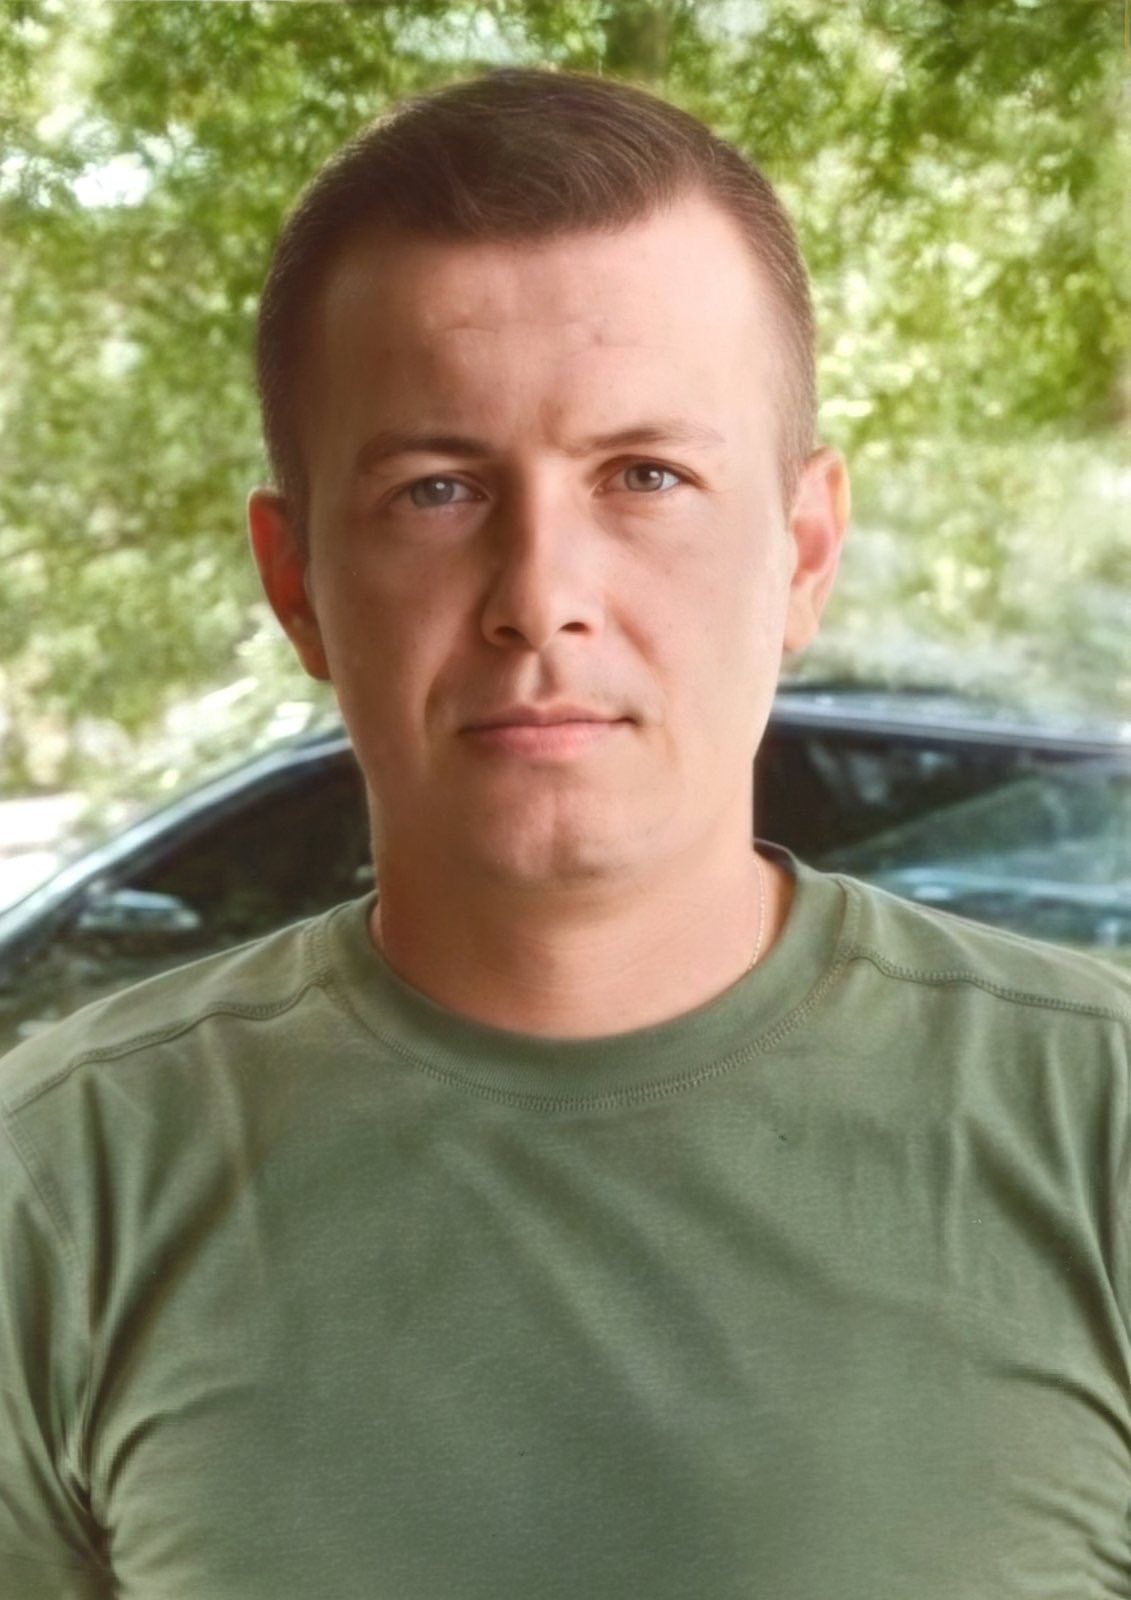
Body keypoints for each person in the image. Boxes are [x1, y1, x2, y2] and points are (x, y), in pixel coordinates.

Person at [1, 66, 1128, 1600]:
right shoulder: (56, 1192)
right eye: (437, 489)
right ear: (297, 582)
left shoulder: (1100, 1132)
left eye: (645, 476)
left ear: (804, 553)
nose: (542, 596)